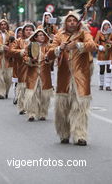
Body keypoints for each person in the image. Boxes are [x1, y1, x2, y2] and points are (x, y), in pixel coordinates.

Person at [47, 10, 97, 146]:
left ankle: (80, 135)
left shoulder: (84, 33)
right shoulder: (59, 35)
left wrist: (78, 45)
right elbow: (49, 54)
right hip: (64, 76)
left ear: (77, 22)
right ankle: (64, 133)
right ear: (65, 23)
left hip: (81, 76)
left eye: (74, 20)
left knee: (80, 107)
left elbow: (92, 46)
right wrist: (59, 48)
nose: (72, 23)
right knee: (62, 108)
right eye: (69, 21)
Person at [23, 29, 54, 121]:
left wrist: (48, 59)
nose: (42, 36)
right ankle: (31, 113)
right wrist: (31, 60)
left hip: (45, 74)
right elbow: (24, 58)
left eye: (43, 35)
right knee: (32, 94)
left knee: (44, 95)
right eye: (40, 35)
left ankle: (43, 113)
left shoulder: (48, 47)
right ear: (35, 37)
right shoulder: (29, 46)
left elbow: (52, 57)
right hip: (33, 73)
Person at [9, 23, 35, 114]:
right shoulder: (19, 41)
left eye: (30, 29)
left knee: (32, 88)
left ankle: (32, 107)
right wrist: (21, 52)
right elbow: (11, 51)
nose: (29, 31)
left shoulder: (36, 40)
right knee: (23, 87)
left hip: (34, 67)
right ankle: (22, 106)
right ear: (23, 31)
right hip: (22, 67)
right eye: (27, 30)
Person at [94, 20, 112, 91]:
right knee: (102, 69)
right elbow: (95, 42)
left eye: (108, 25)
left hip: (109, 52)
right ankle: (101, 84)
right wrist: (100, 47)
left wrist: (111, 43)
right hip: (101, 53)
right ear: (103, 26)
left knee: (109, 69)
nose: (106, 26)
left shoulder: (111, 33)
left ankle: (108, 85)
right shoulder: (99, 32)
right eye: (105, 25)